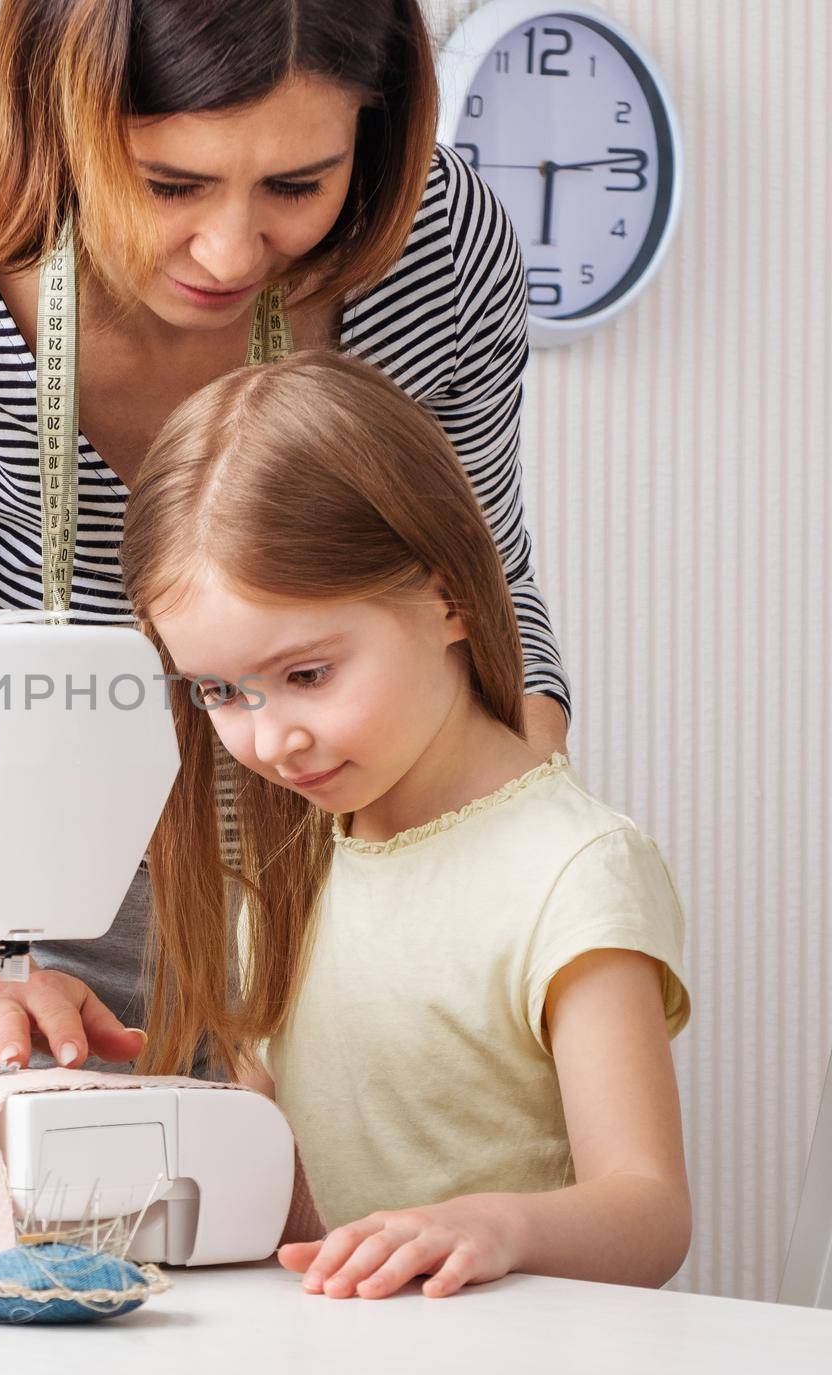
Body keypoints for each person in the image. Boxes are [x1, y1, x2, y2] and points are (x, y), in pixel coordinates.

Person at [0, 0, 571, 1067]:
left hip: (378, 884)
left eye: (298, 185)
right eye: (167, 184)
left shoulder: (437, 245)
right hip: (40, 925)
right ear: (53, 120)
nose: (231, 248)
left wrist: (521, 874)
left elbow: (482, 584)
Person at [117, 350, 691, 1295]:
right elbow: (266, 1174)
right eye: (222, 691)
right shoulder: (293, 862)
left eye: (307, 674)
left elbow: (650, 1213)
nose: (271, 738)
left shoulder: (574, 868)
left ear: (449, 597)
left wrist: (493, 1226)